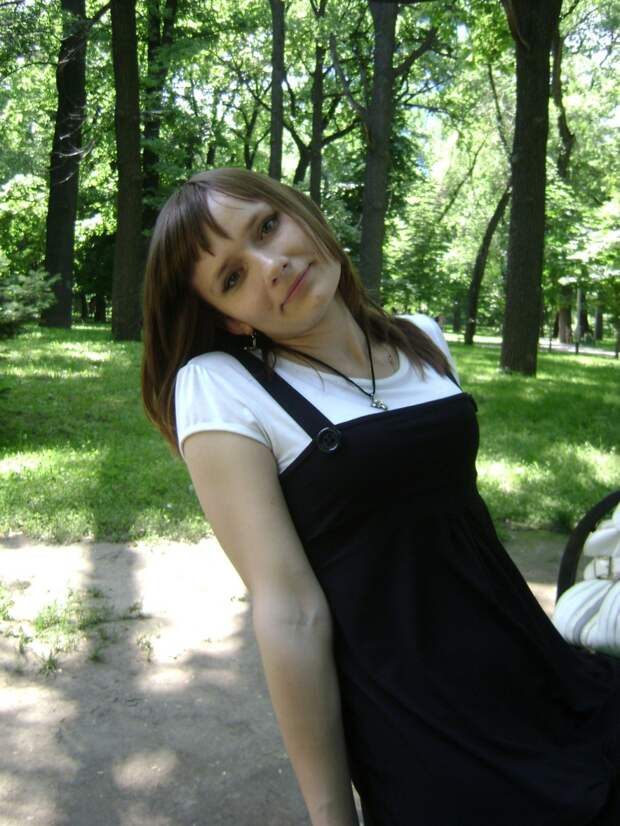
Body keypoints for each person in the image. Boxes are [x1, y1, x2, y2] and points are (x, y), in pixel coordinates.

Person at [141, 168, 620, 826]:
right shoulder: (222, 387)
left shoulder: (421, 337)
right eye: (232, 276)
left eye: (267, 226)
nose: (272, 266)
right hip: (428, 729)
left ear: (300, 212)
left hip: (539, 672)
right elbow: (290, 611)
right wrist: (332, 816)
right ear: (228, 317)